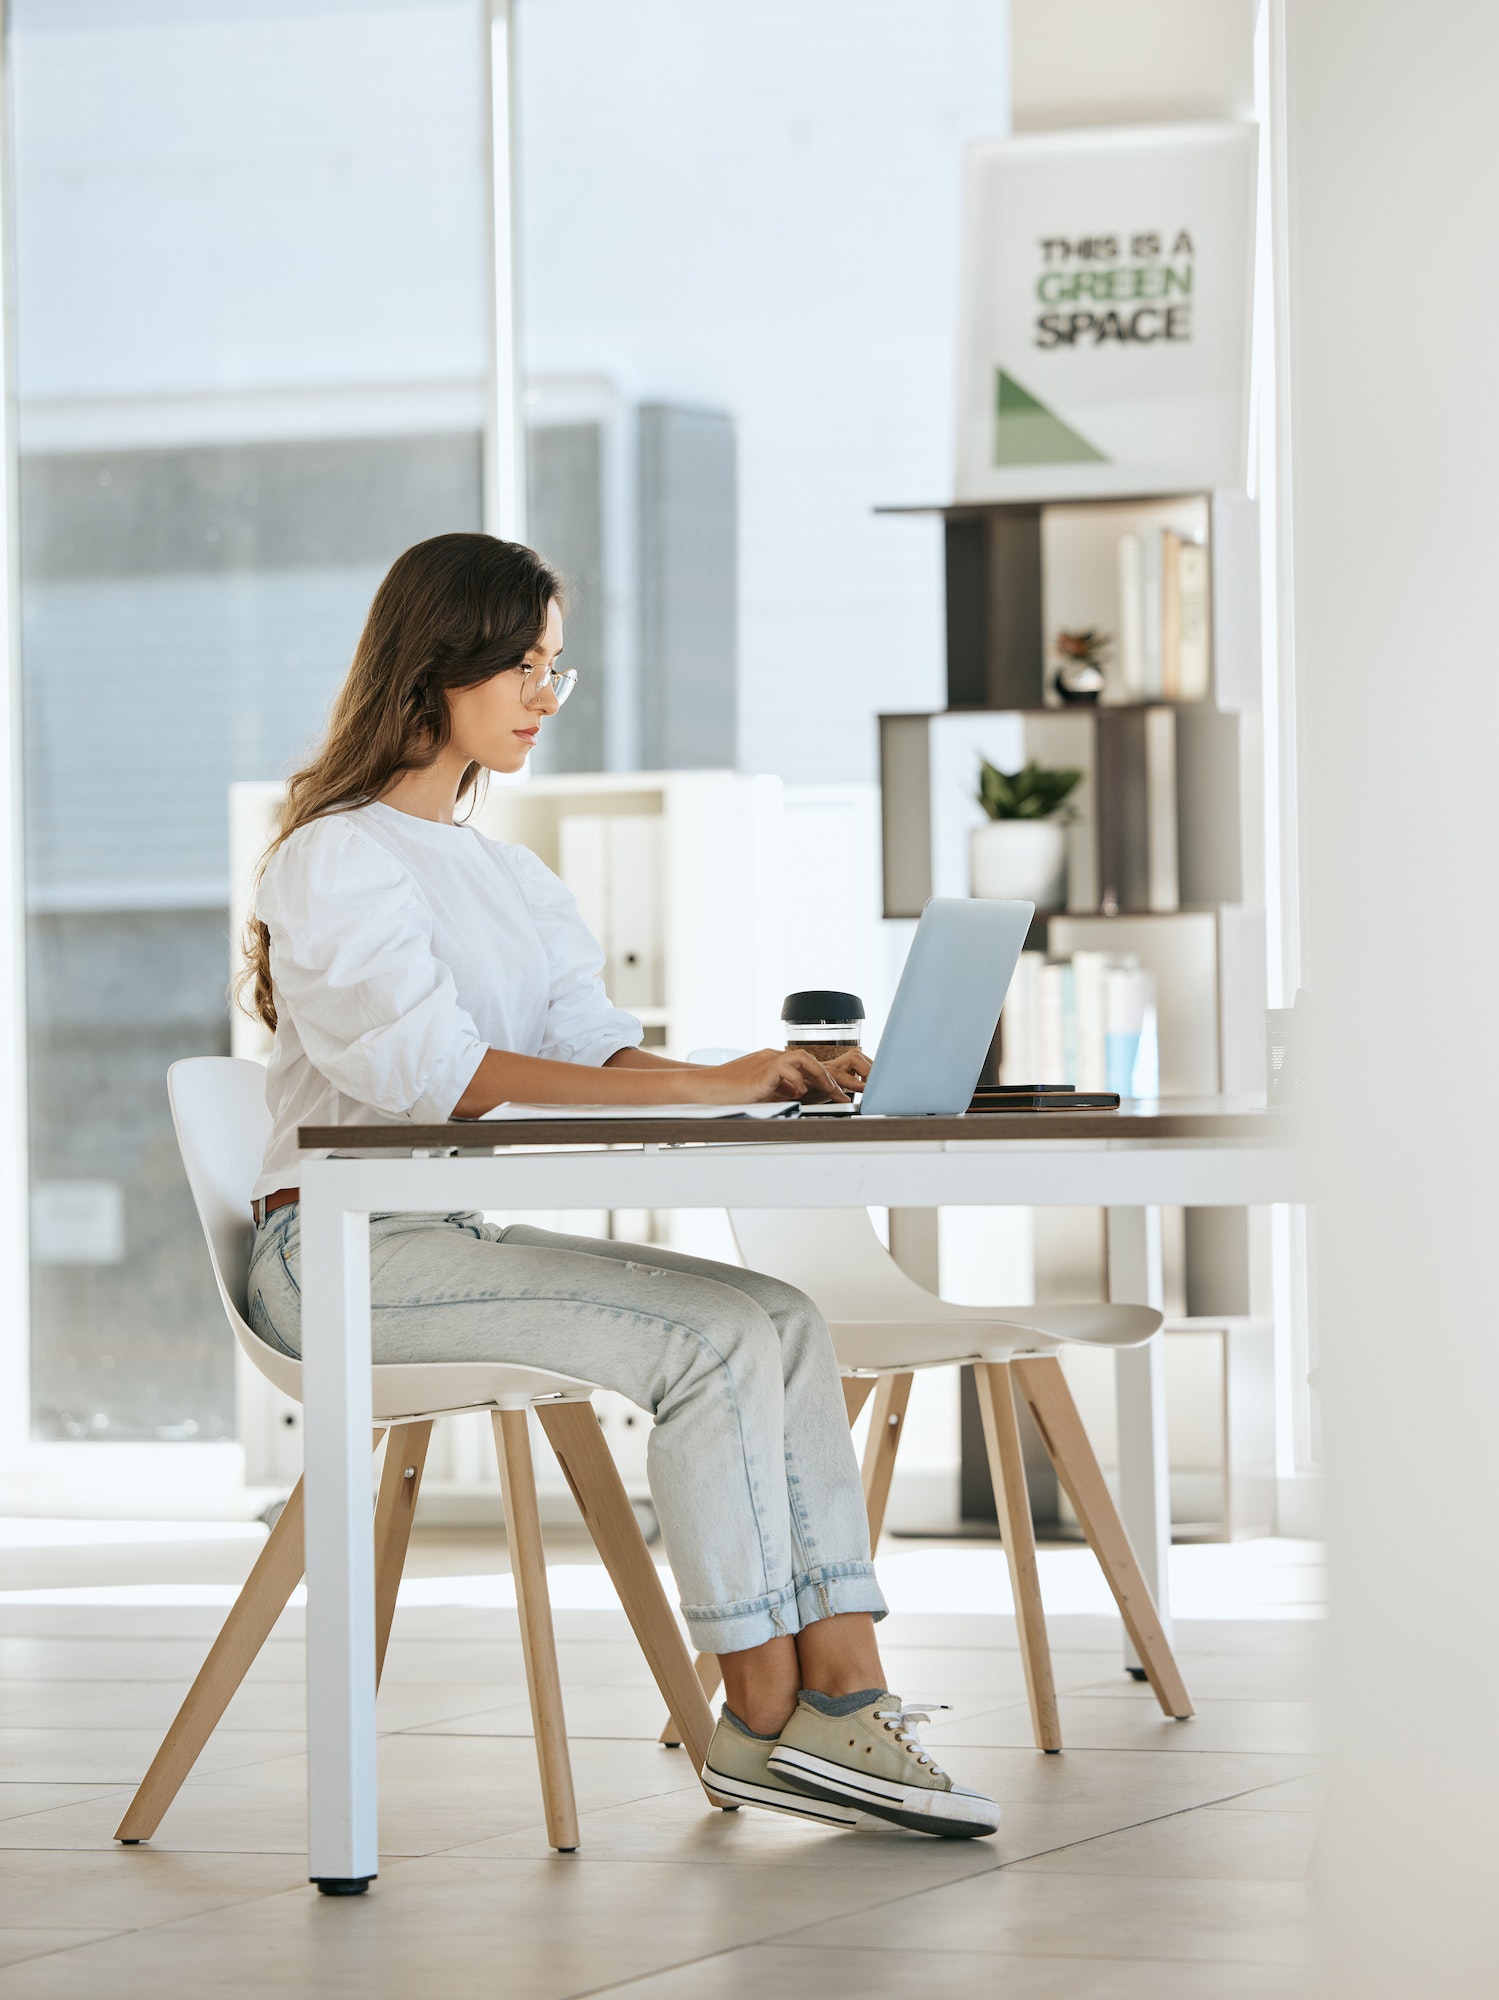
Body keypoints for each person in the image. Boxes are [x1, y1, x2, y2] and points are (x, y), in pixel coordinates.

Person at [241, 532, 999, 1839]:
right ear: (439, 668)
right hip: (339, 1259)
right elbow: (445, 1075)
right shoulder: (334, 857)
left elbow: (591, 1046)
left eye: (554, 669)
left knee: (783, 1316)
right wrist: (717, 1087)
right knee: (708, 1341)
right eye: (524, 666)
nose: (544, 694)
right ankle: (760, 1721)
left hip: (444, 1240)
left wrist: (754, 1073)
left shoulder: (508, 872)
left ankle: (846, 1701)